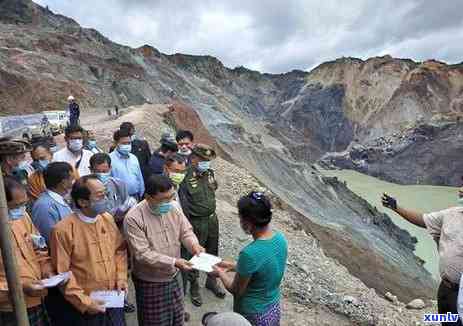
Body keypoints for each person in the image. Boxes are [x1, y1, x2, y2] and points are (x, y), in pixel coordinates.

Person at [124, 175, 205, 326]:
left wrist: (194, 245)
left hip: (174, 275)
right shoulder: (133, 218)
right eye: (163, 199)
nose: (169, 202)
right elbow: (143, 254)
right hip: (150, 281)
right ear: (148, 197)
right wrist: (174, 261)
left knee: (177, 317)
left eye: (171, 197)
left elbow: (185, 231)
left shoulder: (174, 207)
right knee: (154, 322)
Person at [49, 175, 128, 325]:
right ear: (83, 202)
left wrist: (122, 278)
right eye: (100, 196)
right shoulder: (63, 230)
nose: (106, 198)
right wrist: (84, 303)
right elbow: (62, 273)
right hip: (85, 305)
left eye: (105, 193)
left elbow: (119, 250)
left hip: (113, 297)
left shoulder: (106, 218)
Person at [382, 191, 463, 326]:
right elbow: (424, 220)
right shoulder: (451, 214)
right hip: (446, 289)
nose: (460, 190)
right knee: (447, 321)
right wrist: (396, 207)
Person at [211, 192, 288, 326]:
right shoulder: (280, 239)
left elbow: (236, 290)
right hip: (272, 307)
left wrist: (220, 273)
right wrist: (232, 266)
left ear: (248, 222)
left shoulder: (249, 254)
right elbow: (263, 267)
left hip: (252, 313)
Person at [0, 177, 54, 326]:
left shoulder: (23, 217)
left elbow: (39, 247)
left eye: (24, 204)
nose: (22, 209)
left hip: (37, 300)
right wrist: (20, 288)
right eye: (16, 206)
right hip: (9, 309)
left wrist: (46, 269)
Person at [178, 144, 225, 306]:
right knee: (195, 254)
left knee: (212, 250)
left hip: (212, 219)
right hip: (196, 222)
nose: (206, 163)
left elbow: (212, 191)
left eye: (208, 160)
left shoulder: (210, 173)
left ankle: (211, 281)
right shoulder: (185, 177)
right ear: (194, 159)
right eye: (203, 160)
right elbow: (184, 206)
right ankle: (194, 284)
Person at [89, 153, 137, 228]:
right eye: (97, 172)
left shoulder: (119, 184)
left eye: (104, 171)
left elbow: (127, 206)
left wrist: (126, 208)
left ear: (110, 168)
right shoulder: (86, 188)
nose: (101, 174)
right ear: (91, 170)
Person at [31, 162, 74, 243]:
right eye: (71, 180)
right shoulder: (44, 206)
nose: (72, 183)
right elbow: (50, 238)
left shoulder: (61, 200)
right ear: (63, 182)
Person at [109, 128, 145, 200]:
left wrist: (142, 192)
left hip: (136, 196)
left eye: (129, 143)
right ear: (116, 143)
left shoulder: (133, 158)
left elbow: (139, 177)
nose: (127, 145)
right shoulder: (109, 159)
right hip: (120, 199)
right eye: (124, 143)